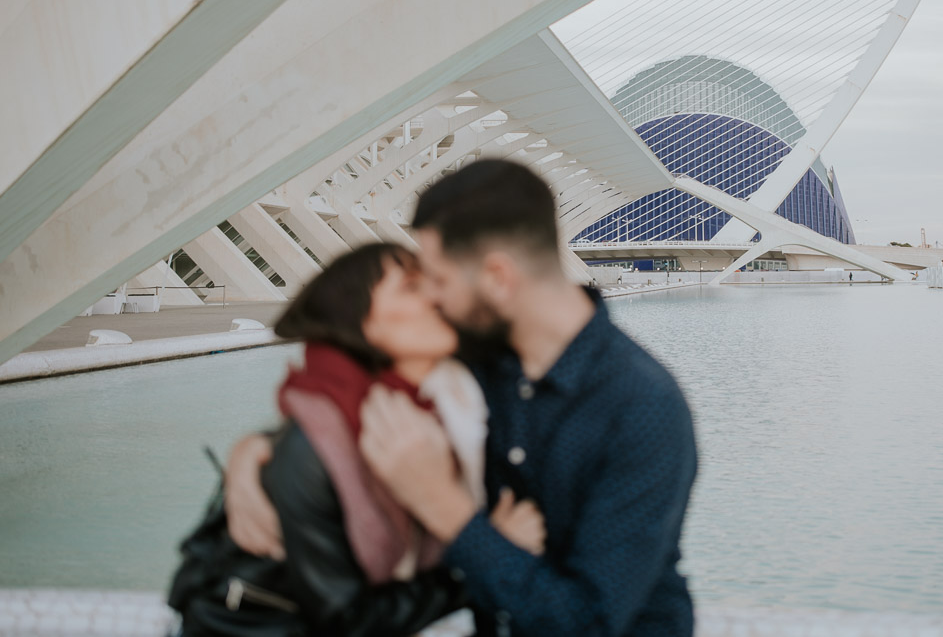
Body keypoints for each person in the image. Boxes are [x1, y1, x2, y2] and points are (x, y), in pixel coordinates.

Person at [226, 159, 699, 636]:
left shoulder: (642, 408)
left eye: (439, 279)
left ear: (497, 278)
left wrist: (440, 502)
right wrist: (255, 455)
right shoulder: (470, 357)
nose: (432, 298)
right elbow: (337, 394)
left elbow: (584, 622)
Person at [170, 243, 544, 636]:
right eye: (411, 288)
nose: (436, 296)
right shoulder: (313, 448)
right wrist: (486, 556)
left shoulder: (447, 402)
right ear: (363, 323)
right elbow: (348, 619)